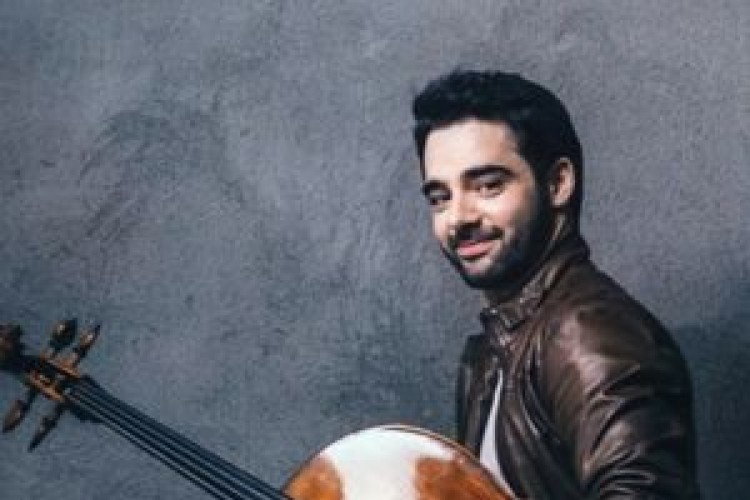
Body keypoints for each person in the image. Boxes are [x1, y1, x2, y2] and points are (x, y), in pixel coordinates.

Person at [411, 70, 700, 499]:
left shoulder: (587, 333)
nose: (459, 218)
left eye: (488, 185)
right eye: (441, 197)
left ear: (557, 183)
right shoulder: (498, 348)